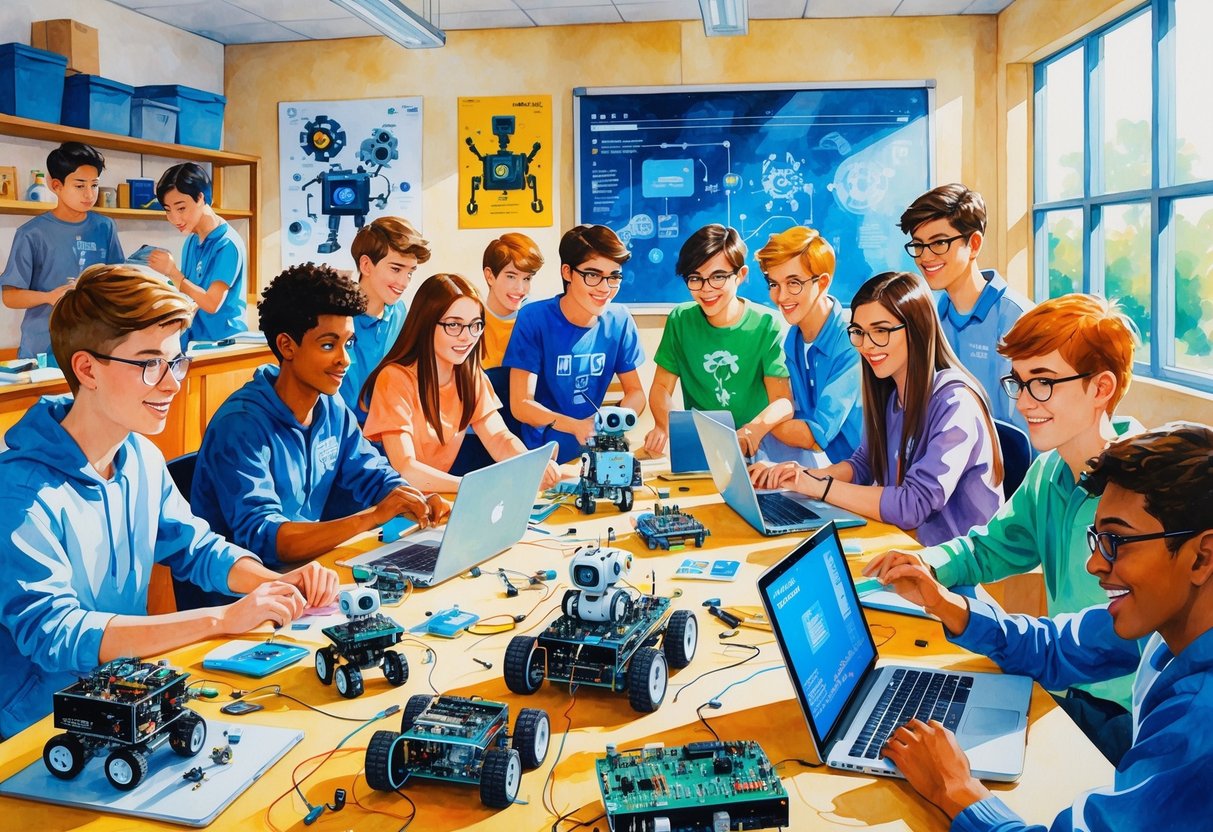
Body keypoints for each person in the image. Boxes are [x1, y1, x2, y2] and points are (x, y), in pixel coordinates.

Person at [0, 265, 338, 740]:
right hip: (39, 731)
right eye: (148, 363)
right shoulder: (18, 492)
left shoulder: (139, 455)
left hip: (126, 698)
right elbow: (57, 632)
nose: (172, 382)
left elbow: (196, 548)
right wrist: (221, 618)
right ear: (86, 368)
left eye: (176, 360)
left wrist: (279, 584)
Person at [867, 423, 1213, 832]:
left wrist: (956, 788)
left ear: (1201, 557)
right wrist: (946, 604)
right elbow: (1055, 647)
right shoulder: (1167, 627)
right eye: (1096, 538)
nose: (1094, 565)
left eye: (1116, 541)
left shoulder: (1197, 724)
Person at [867, 294, 1141, 760]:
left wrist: (956, 609)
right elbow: (988, 550)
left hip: (1123, 715)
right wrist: (924, 564)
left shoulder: (1145, 499)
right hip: (1057, 686)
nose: (1023, 404)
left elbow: (1100, 647)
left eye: (1044, 383)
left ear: (1101, 388)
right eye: (1021, 382)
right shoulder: (1049, 471)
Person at [191, 263, 449, 568]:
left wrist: (409, 498)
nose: (345, 360)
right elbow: (267, 539)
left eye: (347, 343)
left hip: (311, 574)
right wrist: (373, 517)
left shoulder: (331, 407)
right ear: (287, 346)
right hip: (248, 594)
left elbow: (372, 473)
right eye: (328, 345)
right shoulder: (239, 427)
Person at [750, 271, 1003, 547]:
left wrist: (820, 488)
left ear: (917, 328)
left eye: (881, 331)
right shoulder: (890, 393)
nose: (867, 345)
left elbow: (914, 504)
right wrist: (799, 477)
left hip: (955, 566)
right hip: (901, 546)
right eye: (859, 332)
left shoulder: (956, 403)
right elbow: (863, 465)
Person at [362, 273, 560, 492]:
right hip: (390, 501)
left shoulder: (470, 375)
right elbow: (406, 468)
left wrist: (531, 464)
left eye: (475, 325)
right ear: (426, 324)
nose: (467, 337)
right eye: (454, 325)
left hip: (438, 498)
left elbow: (499, 438)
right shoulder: (395, 379)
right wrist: (469, 486)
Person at [641, 224, 791, 460]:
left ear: (740, 275)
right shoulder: (681, 320)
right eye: (695, 278)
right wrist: (668, 425)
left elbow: (782, 401)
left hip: (757, 448)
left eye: (718, 277)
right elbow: (661, 388)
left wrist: (751, 433)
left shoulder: (767, 324)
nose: (706, 289)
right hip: (702, 447)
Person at [502, 225, 646, 464]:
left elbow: (636, 393)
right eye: (592, 275)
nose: (605, 288)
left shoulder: (619, 319)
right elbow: (521, 404)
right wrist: (577, 426)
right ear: (567, 272)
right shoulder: (534, 318)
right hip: (544, 458)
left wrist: (614, 420)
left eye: (614, 276)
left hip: (596, 453)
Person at [900, 184, 1032, 431]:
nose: (925, 257)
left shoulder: (1020, 319)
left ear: (973, 244)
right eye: (918, 245)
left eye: (939, 243)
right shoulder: (934, 315)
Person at [1, 142, 124, 362]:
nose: (89, 194)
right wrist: (50, 297)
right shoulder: (31, 233)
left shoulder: (105, 227)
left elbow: (118, 281)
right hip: (43, 348)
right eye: (79, 186)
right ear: (56, 185)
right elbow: (10, 296)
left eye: (94, 185)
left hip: (95, 346)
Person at [753, 225, 863, 466]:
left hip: (871, 483)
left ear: (822, 283)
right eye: (773, 284)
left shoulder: (851, 342)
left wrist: (757, 428)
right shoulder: (792, 340)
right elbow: (797, 416)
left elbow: (815, 436)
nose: (781, 297)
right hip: (833, 473)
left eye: (793, 283)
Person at [340, 216, 430, 424]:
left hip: (388, 426)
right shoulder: (338, 318)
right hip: (344, 430)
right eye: (396, 269)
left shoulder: (399, 312)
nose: (404, 282)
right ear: (366, 265)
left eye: (410, 273)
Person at [148, 162, 248, 345]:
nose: (174, 219)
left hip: (223, 344)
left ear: (200, 198)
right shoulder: (191, 241)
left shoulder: (227, 244)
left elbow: (211, 303)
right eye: (167, 210)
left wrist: (172, 272)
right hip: (194, 342)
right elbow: (189, 297)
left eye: (181, 208)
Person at [481, 232, 543, 369]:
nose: (520, 288)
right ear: (490, 276)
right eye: (511, 276)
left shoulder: (537, 323)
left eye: (527, 278)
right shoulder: (471, 323)